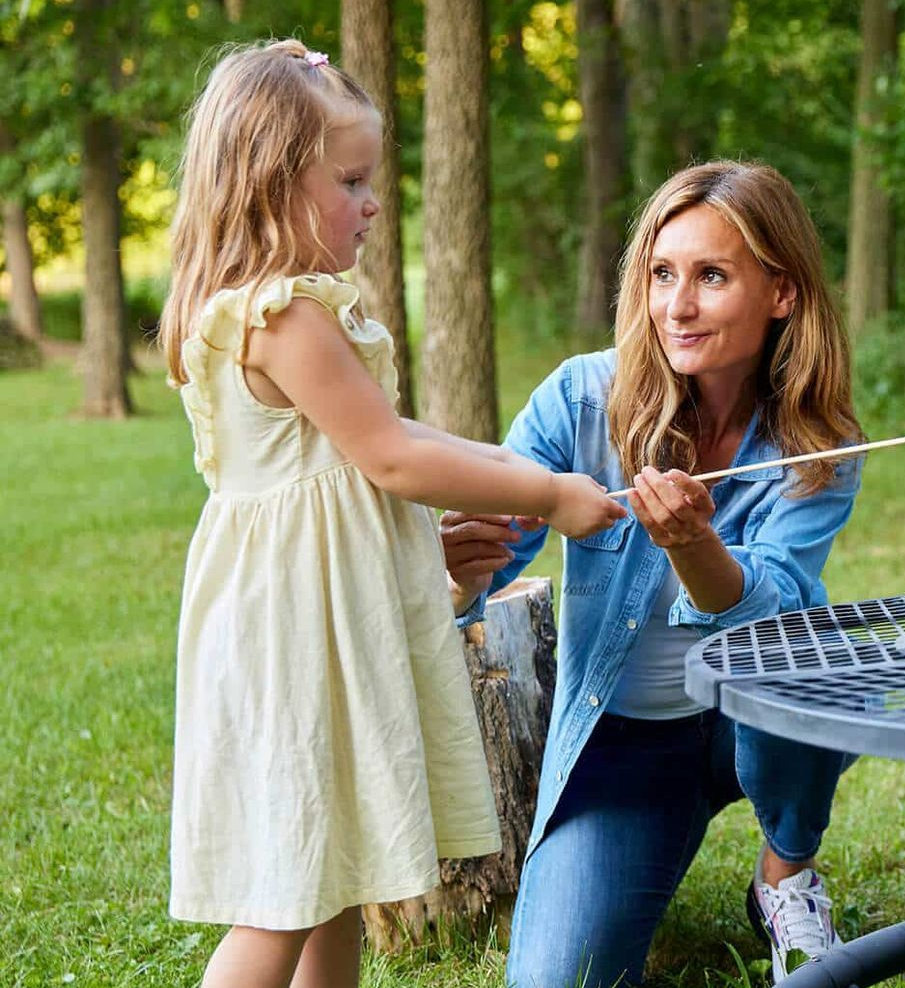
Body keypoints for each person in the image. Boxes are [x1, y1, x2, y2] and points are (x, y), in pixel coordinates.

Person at [159, 39, 628, 988]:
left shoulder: (270, 311)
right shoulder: (282, 316)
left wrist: (505, 460)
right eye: (352, 180)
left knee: (337, 878)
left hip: (308, 622)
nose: (373, 204)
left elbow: (387, 430)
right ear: (271, 182)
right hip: (298, 635)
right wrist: (547, 495)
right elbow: (392, 457)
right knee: (284, 900)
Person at [440, 160, 864, 986]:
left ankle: (785, 873)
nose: (677, 306)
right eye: (662, 274)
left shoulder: (820, 442)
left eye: (711, 276)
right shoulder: (579, 400)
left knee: (800, 663)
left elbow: (776, 613)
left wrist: (695, 548)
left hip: (760, 717)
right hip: (628, 745)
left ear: (781, 292)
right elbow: (488, 569)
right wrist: (459, 577)